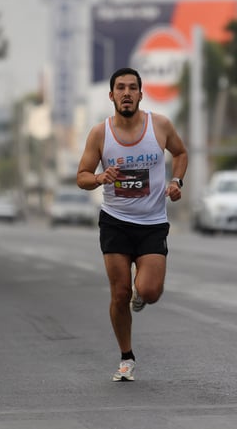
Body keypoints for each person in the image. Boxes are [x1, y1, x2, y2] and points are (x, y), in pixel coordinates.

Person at [77, 67, 188, 382]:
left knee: (149, 291)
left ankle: (142, 292)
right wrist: (99, 177)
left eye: (132, 88)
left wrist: (177, 180)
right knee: (119, 292)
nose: (126, 93)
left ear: (141, 94)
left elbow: (180, 153)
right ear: (111, 95)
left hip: (152, 222)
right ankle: (126, 358)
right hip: (115, 221)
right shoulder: (100, 134)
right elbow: (81, 176)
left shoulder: (160, 126)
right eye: (120, 88)